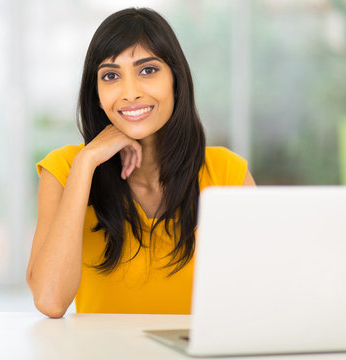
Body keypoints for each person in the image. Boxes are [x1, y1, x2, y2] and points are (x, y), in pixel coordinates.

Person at [26, 7, 256, 319]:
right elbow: (50, 301)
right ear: (96, 94)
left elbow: (257, 298)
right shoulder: (66, 169)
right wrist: (86, 163)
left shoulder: (227, 173)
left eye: (147, 70)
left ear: (176, 79)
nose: (130, 93)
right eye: (111, 76)